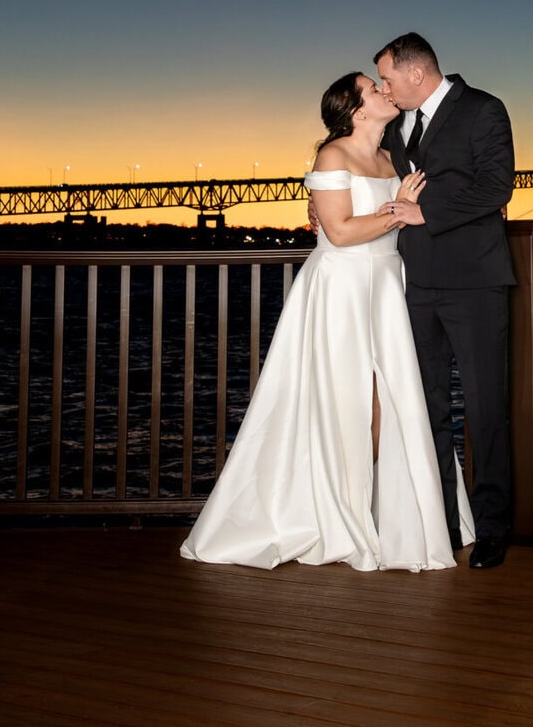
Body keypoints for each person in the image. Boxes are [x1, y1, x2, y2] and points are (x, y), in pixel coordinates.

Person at [181, 72, 472, 571]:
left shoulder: (394, 154)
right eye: (373, 87)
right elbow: (337, 231)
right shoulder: (334, 155)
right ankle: (336, 513)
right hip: (341, 288)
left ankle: (382, 513)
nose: (385, 90)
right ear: (357, 110)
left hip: (386, 286)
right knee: (342, 403)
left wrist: (397, 208)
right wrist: (401, 211)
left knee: (391, 404)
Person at [373, 32, 517, 569]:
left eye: (388, 78)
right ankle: (445, 525)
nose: (385, 89)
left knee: (485, 410)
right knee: (428, 405)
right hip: (415, 284)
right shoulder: (394, 124)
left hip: (476, 282)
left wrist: (427, 214)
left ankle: (493, 529)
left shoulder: (483, 110)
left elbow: (496, 187)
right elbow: (356, 160)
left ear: (416, 73)